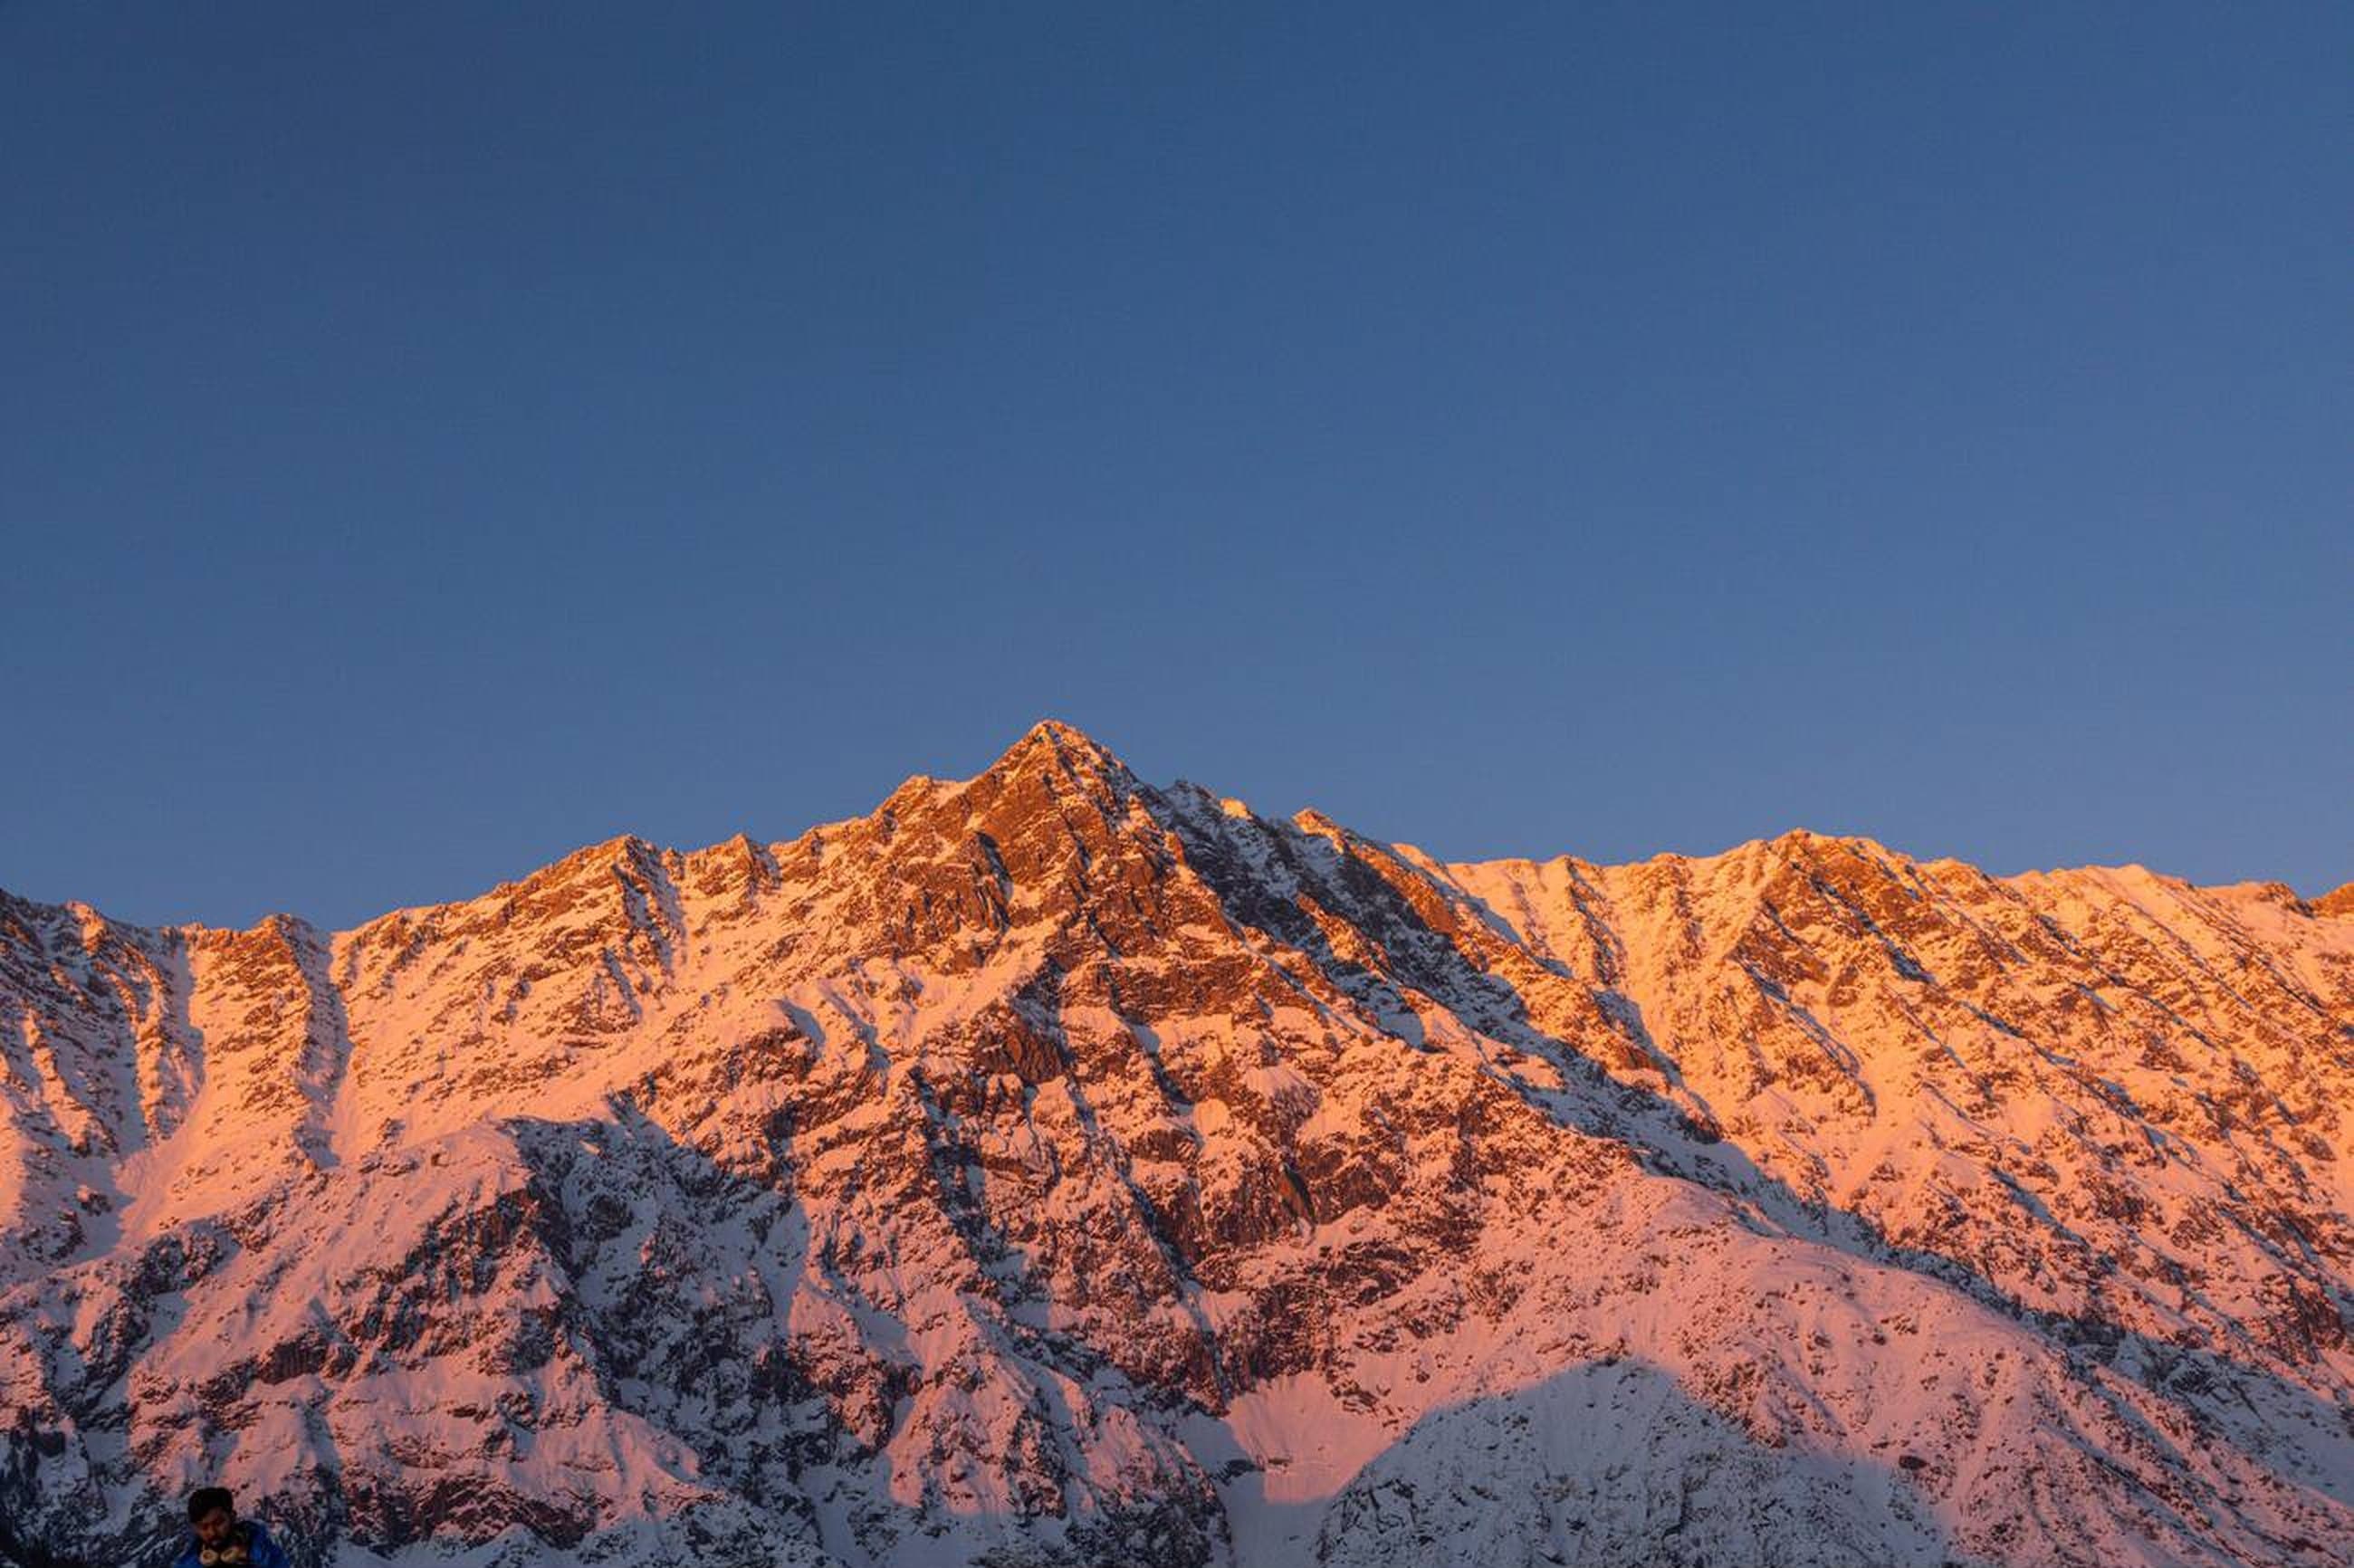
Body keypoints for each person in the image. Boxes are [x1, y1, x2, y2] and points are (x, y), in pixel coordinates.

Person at [172, 1487, 292, 1568]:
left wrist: (254, 1556)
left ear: (232, 1517)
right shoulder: (189, 1563)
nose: (212, 1532)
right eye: (203, 1527)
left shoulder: (266, 1555)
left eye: (218, 1523)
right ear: (195, 1528)